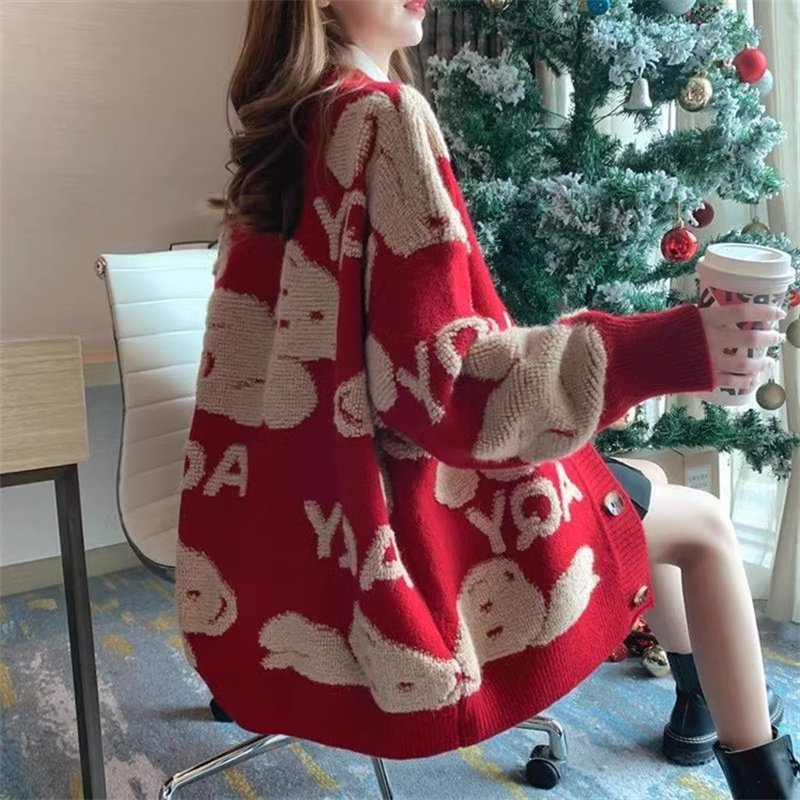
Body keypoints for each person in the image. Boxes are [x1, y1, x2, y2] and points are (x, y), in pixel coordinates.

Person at [176, 1, 799, 797]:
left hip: (290, 523)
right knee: (704, 527)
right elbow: (448, 389)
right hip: (397, 528)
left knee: (635, 490)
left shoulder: (288, 129)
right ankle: (765, 775)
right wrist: (679, 347)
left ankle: (699, 706)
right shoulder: (383, 114)